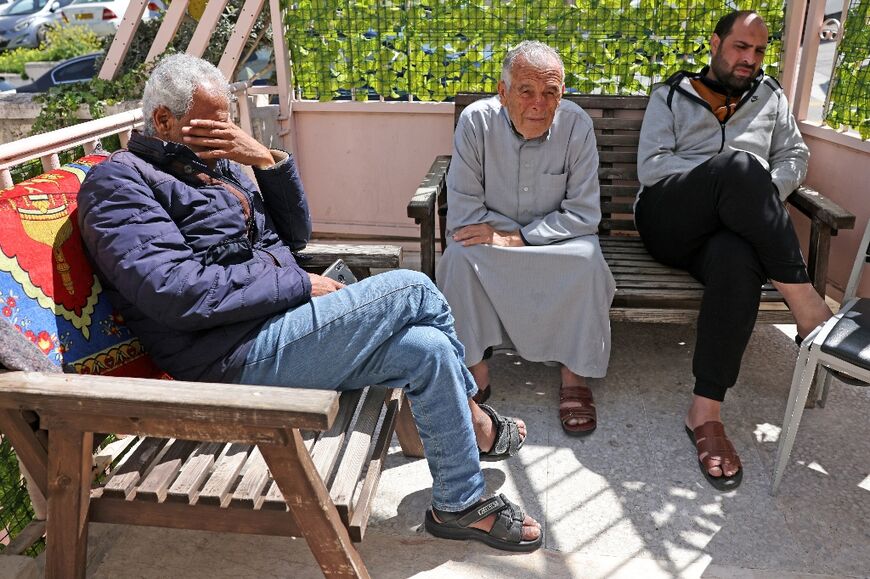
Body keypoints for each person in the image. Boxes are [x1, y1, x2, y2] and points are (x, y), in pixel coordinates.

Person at [77, 53, 542, 551]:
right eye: (216, 122)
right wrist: (300, 286)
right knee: (414, 288)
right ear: (165, 121)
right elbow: (176, 291)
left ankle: (459, 502)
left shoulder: (215, 166)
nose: (227, 133)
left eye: (230, 120)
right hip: (227, 358)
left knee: (426, 347)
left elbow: (296, 235)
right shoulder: (120, 184)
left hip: (280, 328)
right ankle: (478, 422)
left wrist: (267, 160)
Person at [635, 10, 833, 490]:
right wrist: (719, 178)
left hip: (733, 231)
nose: (750, 59)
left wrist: (755, 195)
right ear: (715, 43)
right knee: (739, 167)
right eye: (741, 47)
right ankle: (806, 303)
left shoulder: (771, 98)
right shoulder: (671, 94)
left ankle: (705, 411)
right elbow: (652, 167)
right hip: (670, 220)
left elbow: (795, 156)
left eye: (760, 50)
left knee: (737, 256)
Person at [437, 41, 615, 436]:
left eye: (550, 92)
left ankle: (574, 376)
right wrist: (504, 237)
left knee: (587, 262)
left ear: (562, 94)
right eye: (527, 91)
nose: (539, 103)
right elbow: (465, 210)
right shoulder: (475, 122)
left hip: (558, 241)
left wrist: (522, 237)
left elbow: (584, 214)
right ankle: (475, 372)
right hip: (489, 239)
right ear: (503, 93)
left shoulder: (577, 126)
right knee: (458, 258)